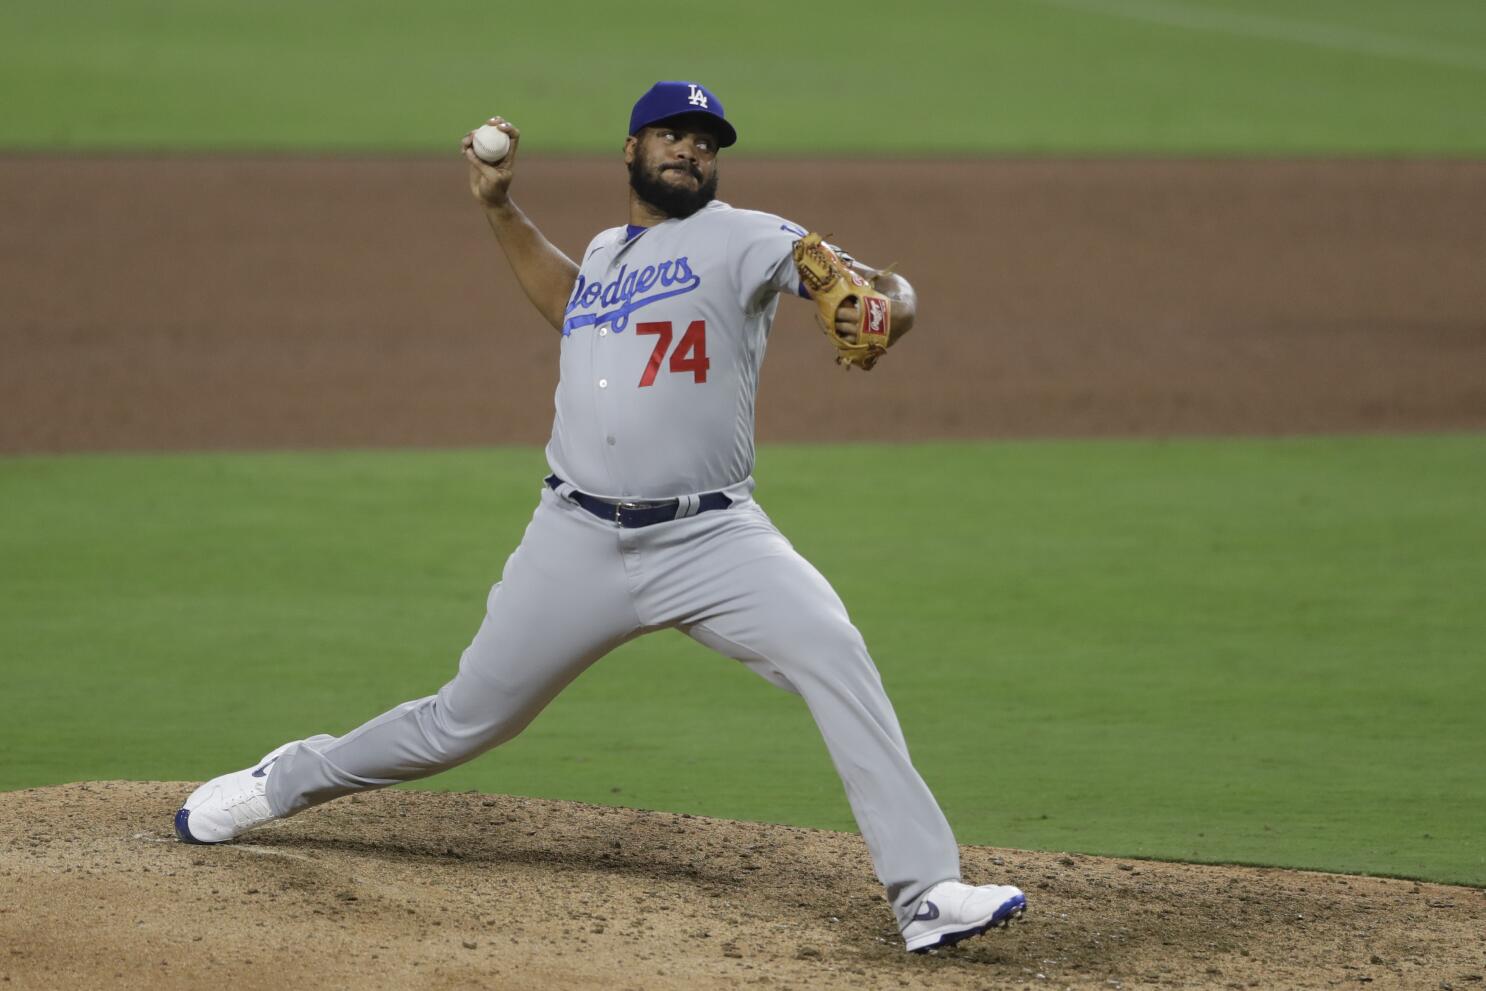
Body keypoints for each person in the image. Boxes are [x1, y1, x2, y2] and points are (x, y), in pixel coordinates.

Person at [174, 80, 1025, 953]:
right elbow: (568, 301)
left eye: (706, 140)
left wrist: (892, 303)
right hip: (574, 538)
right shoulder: (606, 257)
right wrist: (500, 208)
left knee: (835, 652)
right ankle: (286, 779)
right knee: (463, 720)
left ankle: (926, 893)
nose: (691, 150)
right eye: (672, 134)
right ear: (631, 150)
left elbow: (873, 287)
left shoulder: (751, 237)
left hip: (714, 539)